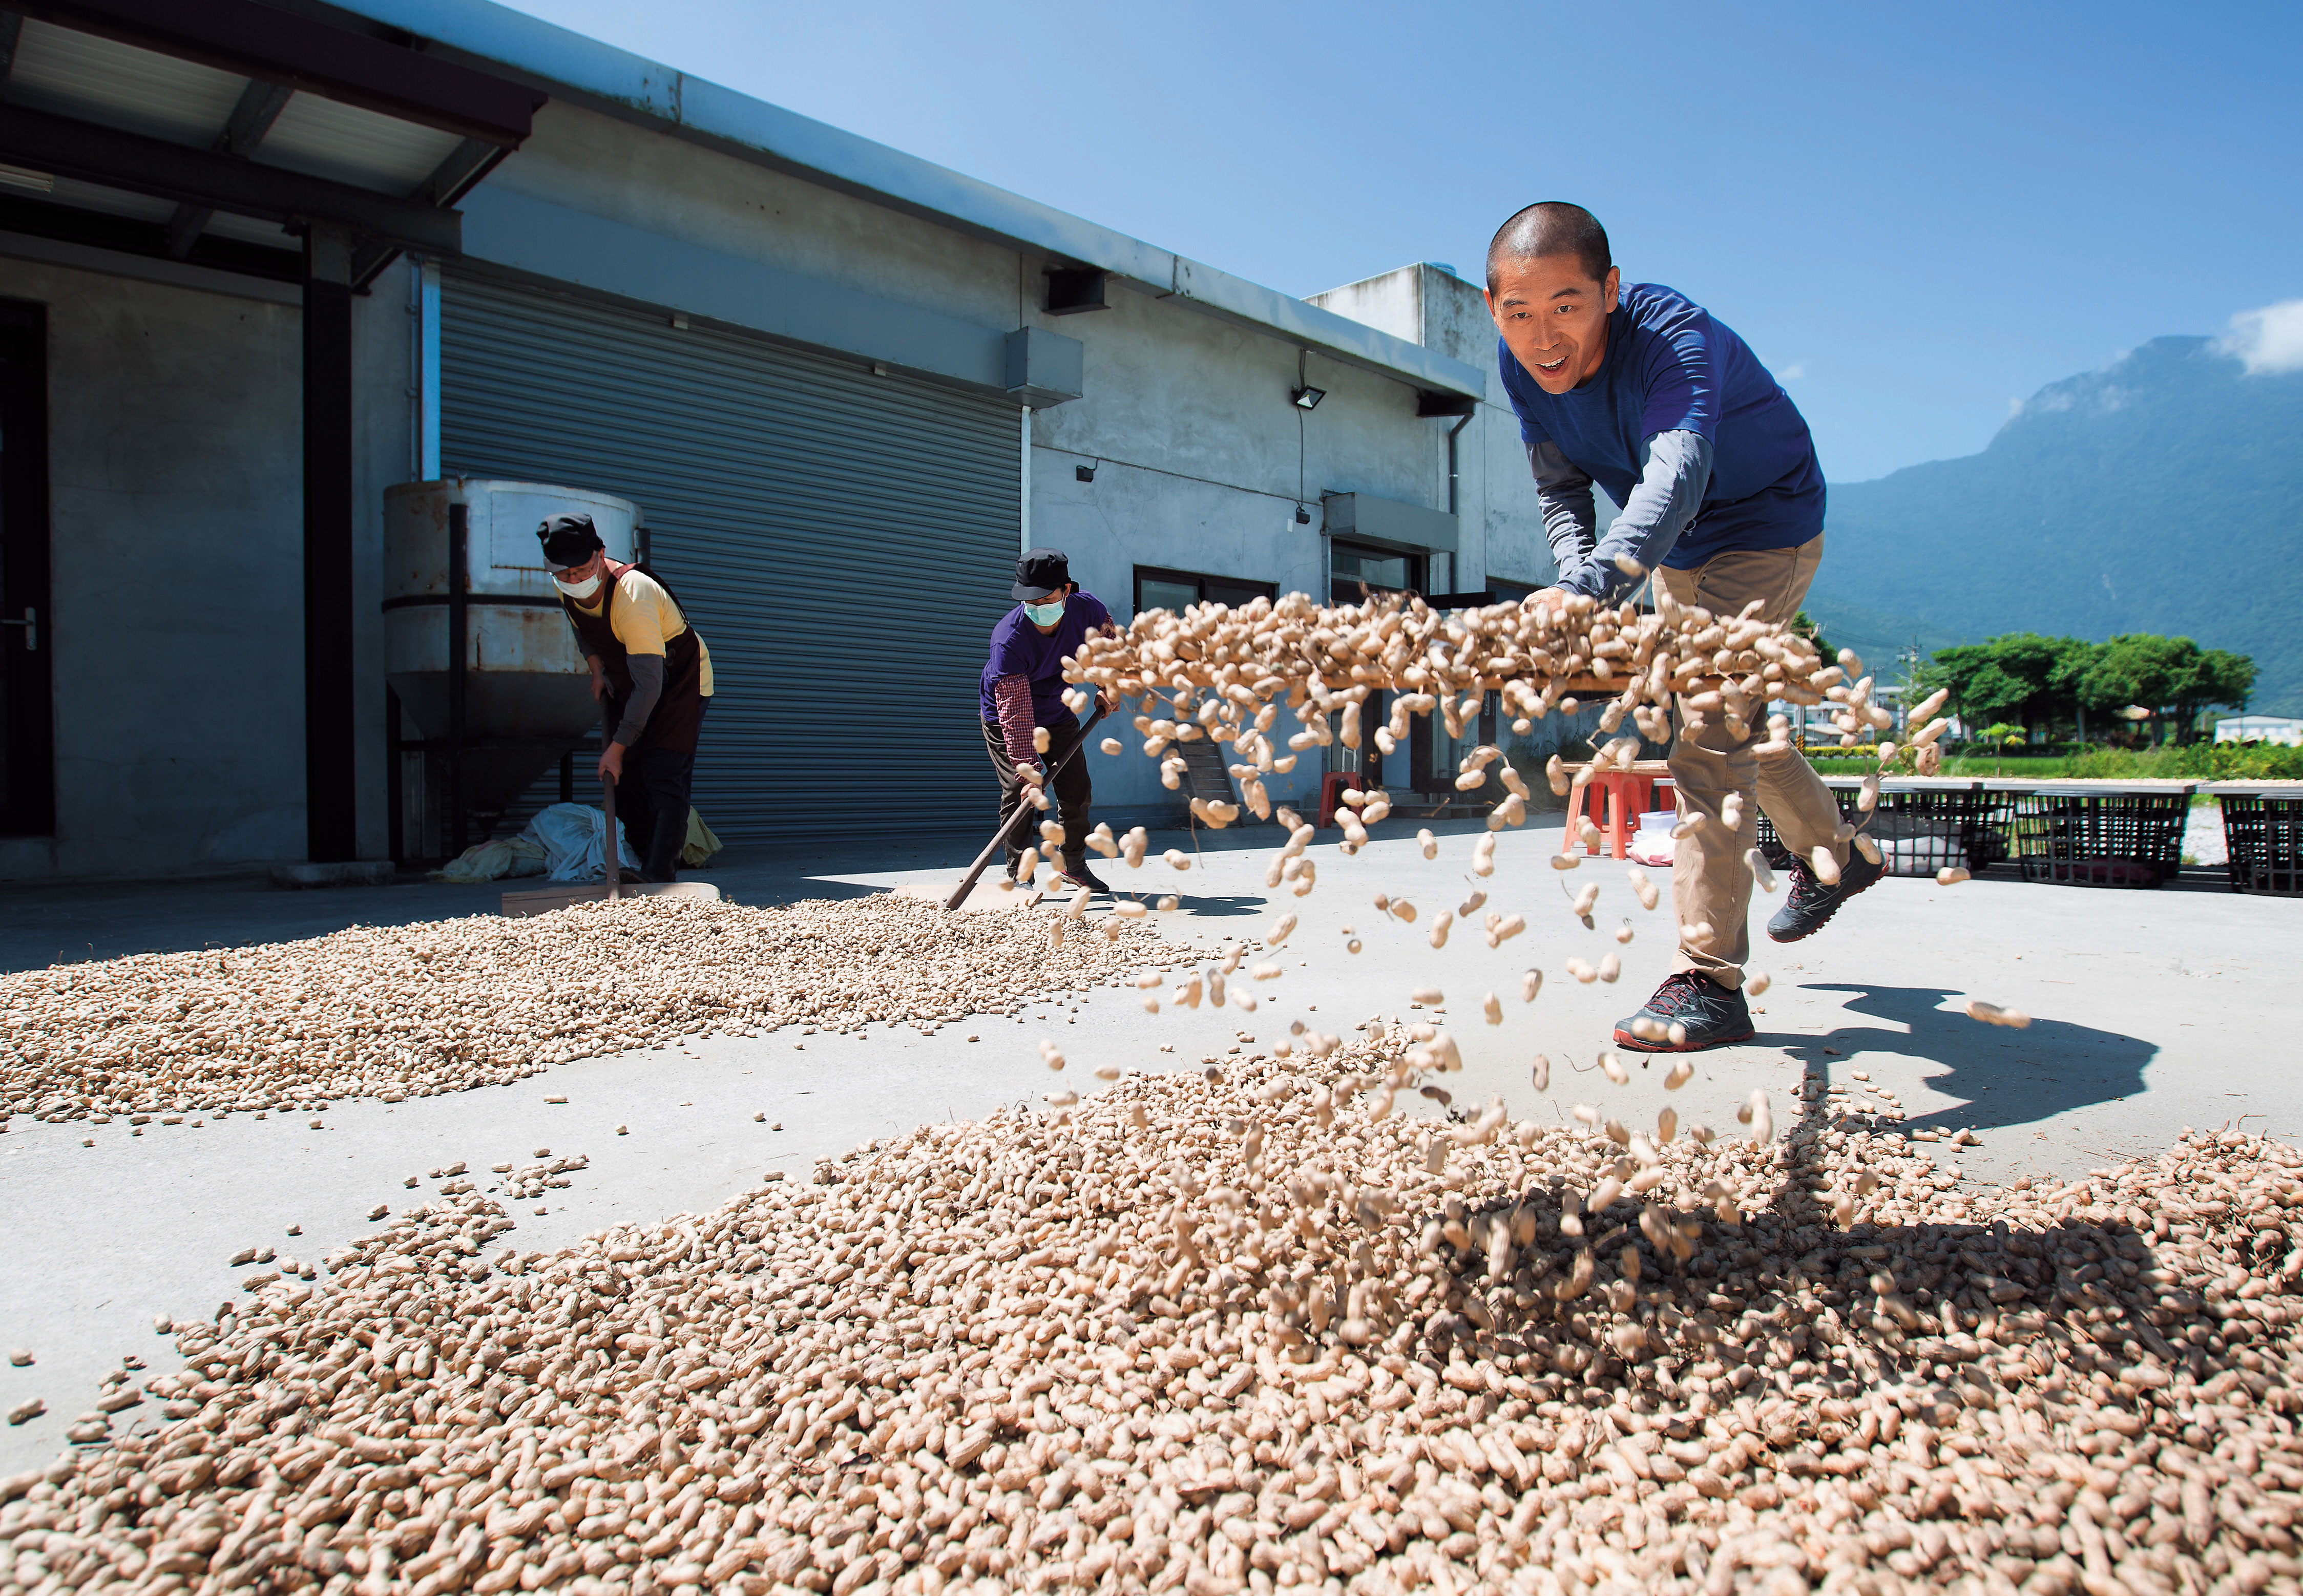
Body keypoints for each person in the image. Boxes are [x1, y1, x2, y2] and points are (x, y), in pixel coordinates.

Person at [1483, 201, 1881, 1052]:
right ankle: (1835, 854)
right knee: (1732, 724)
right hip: (1673, 549)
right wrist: (1576, 583)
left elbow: (1679, 469)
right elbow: (1560, 486)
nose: (1544, 338)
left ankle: (1709, 981)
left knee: (1708, 738)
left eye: (1566, 306)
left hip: (1763, 526)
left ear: (1610, 291)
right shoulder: (1523, 368)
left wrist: (1596, 586)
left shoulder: (1671, 339)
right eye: (1519, 313)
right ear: (1493, 308)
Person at [539, 513, 713, 884]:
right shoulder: (564, 585)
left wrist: (616, 748)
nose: (575, 581)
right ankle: (642, 862)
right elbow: (581, 628)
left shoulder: (633, 594)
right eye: (565, 574)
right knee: (628, 781)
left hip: (679, 682)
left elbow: (651, 684)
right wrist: (595, 667)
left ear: (601, 554)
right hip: (635, 682)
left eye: (582, 570)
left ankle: (660, 877)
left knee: (663, 772)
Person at [979, 548, 1118, 892]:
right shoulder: (1008, 640)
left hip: (1056, 710)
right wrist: (1028, 770)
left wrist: (1108, 686)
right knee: (1021, 791)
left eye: (1047, 598)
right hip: (1005, 715)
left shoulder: (1088, 610)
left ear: (1066, 590)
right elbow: (1015, 712)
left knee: (1077, 789)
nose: (1039, 607)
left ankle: (1074, 864)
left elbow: (1108, 648)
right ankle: (1021, 875)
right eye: (1031, 601)